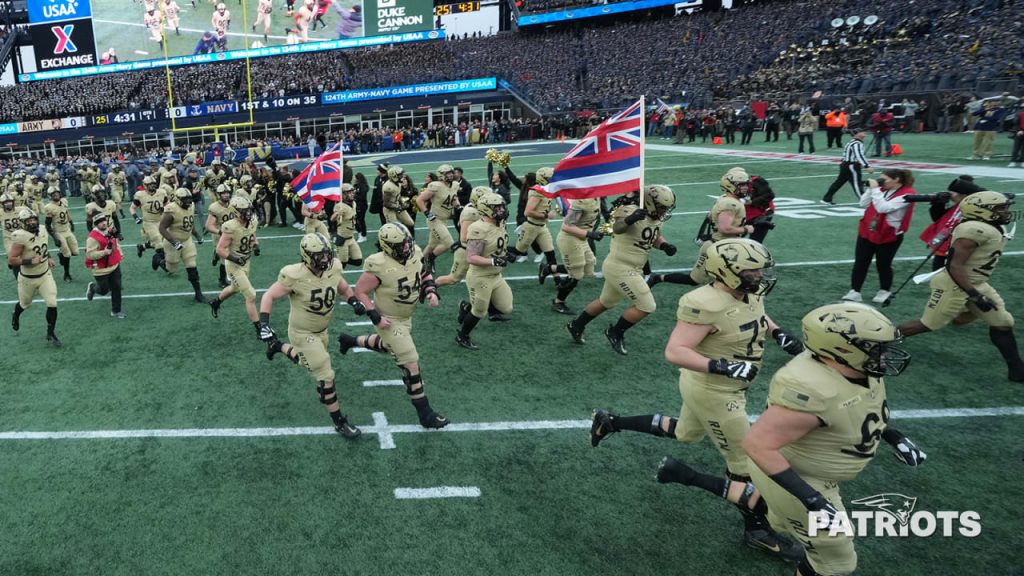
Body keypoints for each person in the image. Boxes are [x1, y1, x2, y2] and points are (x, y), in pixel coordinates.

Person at [658, 302, 923, 576]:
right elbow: (756, 444)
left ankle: (688, 476)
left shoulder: (858, 370)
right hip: (800, 477)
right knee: (835, 562)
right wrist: (812, 499)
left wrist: (895, 436)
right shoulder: (813, 389)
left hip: (805, 471)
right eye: (875, 347)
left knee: (778, 514)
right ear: (842, 349)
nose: (884, 354)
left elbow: (864, 409)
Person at [591, 239, 804, 561]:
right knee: (744, 463)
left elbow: (756, 312)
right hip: (715, 391)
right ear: (727, 271)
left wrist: (776, 331)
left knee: (686, 433)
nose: (759, 274)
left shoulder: (748, 291)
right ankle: (757, 530)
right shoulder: (704, 302)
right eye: (752, 269)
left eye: (761, 267)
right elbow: (675, 351)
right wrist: (722, 365)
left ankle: (611, 422)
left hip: (717, 387)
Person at [898, 191, 1023, 382]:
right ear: (981, 211)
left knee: (1003, 323)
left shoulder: (990, 226)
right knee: (929, 324)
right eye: (1000, 208)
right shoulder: (974, 230)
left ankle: (1017, 370)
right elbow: (954, 265)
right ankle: (878, 340)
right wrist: (974, 295)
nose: (1006, 211)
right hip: (955, 283)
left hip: (975, 282)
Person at [336, 222, 449, 428]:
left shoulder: (414, 251)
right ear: (387, 246)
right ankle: (425, 413)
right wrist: (375, 316)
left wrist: (431, 290)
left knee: (388, 346)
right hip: (389, 319)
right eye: (400, 245)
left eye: (406, 243)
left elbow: (423, 272)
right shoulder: (378, 264)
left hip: (407, 316)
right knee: (410, 361)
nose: (406, 248)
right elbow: (360, 291)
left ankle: (350, 340)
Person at [259, 233, 365, 436]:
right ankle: (339, 422)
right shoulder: (294, 275)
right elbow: (269, 295)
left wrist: (352, 300)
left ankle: (277, 346)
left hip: (322, 330)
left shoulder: (333, 266)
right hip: (302, 332)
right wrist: (264, 324)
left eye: (326, 254)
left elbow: (340, 285)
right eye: (319, 255)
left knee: (307, 361)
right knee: (326, 374)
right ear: (307, 256)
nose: (325, 259)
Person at [566, 185, 676, 355]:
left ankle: (576, 325)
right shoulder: (629, 210)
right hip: (620, 266)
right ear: (650, 202)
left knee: (606, 301)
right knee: (647, 305)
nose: (664, 211)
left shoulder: (655, 217)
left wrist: (664, 245)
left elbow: (653, 235)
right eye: (662, 207)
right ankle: (615, 332)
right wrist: (630, 219)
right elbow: (617, 228)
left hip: (632, 267)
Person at [649, 168, 749, 288]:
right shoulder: (730, 204)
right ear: (730, 185)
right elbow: (725, 229)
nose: (745, 187)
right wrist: (747, 229)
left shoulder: (725, 199)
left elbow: (711, 216)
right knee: (696, 279)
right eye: (741, 184)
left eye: (746, 184)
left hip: (725, 246)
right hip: (718, 247)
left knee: (731, 280)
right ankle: (658, 278)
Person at [843, 169, 916, 304]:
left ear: (897, 179)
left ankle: (884, 290)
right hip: (869, 230)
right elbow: (863, 203)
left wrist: (876, 190)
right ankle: (855, 291)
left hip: (889, 233)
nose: (882, 182)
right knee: (861, 261)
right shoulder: (881, 190)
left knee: (883, 264)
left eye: (885, 179)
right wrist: (871, 190)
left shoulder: (907, 194)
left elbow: (884, 208)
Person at [455, 192, 512, 350]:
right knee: (479, 311)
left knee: (507, 308)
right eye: (497, 207)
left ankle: (467, 307)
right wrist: (493, 260)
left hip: (496, 275)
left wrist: (507, 254)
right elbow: (471, 257)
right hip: (480, 276)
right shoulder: (478, 228)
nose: (501, 210)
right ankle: (462, 336)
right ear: (486, 209)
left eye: (501, 206)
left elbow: (498, 245)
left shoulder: (499, 223)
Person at [8, 208, 61, 346]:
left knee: (52, 302)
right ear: (23, 223)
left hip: (45, 274)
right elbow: (12, 260)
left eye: (34, 219)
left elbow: (42, 247)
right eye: (29, 220)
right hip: (28, 278)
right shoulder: (20, 237)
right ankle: (16, 315)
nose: (32, 222)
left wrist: (48, 257)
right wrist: (29, 261)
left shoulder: (42, 229)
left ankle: (50, 333)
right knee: (25, 304)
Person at [505, 167, 564, 284]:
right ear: (542, 178)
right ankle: (493, 252)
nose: (552, 180)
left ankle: (558, 280)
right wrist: (546, 215)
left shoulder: (546, 189)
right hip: (531, 226)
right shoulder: (537, 192)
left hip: (542, 227)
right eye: (549, 178)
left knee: (550, 254)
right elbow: (528, 212)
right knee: (517, 252)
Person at [209, 196, 261, 326]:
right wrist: (235, 259)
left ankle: (216, 302)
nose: (248, 213)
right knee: (251, 295)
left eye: (249, 210)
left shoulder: (252, 221)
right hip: (234, 265)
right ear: (236, 211)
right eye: (244, 211)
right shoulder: (230, 226)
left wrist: (255, 243)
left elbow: (252, 234)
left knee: (234, 288)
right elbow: (220, 249)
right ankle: (260, 329)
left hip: (246, 261)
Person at [917, 176, 985, 270]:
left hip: (958, 248)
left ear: (964, 195)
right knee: (937, 274)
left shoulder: (973, 208)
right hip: (944, 245)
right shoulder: (958, 205)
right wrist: (938, 204)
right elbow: (939, 219)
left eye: (953, 193)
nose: (950, 196)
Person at [551, 197, 604, 315]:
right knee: (576, 275)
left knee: (588, 267)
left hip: (581, 239)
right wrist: (590, 234)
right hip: (570, 239)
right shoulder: (581, 202)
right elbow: (566, 226)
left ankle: (550, 269)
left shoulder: (597, 198)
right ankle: (558, 302)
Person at [158, 188, 207, 303]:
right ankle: (158, 260)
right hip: (172, 242)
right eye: (185, 199)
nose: (188, 202)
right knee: (171, 268)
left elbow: (190, 223)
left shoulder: (191, 206)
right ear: (178, 199)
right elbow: (162, 228)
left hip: (187, 241)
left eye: (189, 199)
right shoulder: (172, 209)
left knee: (192, 266)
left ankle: (198, 294)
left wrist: (196, 235)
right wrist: (173, 241)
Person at [84, 214, 125, 319]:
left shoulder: (110, 230)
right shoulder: (92, 238)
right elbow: (90, 255)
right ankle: (93, 288)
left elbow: (115, 242)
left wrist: (120, 252)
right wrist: (104, 252)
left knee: (117, 287)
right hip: (101, 269)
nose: (103, 223)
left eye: (104, 221)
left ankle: (116, 311)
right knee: (103, 290)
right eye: (100, 222)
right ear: (96, 224)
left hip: (114, 265)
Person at [416, 178, 459, 272]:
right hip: (435, 219)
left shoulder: (454, 184)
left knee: (432, 245)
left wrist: (458, 206)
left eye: (451, 172)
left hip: (444, 219)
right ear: (441, 175)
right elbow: (419, 199)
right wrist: (427, 213)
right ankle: (430, 258)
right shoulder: (436, 186)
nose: (450, 175)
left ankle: (419, 264)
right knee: (449, 244)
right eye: (447, 173)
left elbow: (454, 197)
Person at [821, 128, 873, 205]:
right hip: (851, 166)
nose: (864, 132)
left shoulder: (852, 142)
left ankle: (826, 199)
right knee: (856, 184)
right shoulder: (857, 143)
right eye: (862, 131)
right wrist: (867, 166)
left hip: (846, 165)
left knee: (838, 183)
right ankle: (864, 202)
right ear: (856, 134)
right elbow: (859, 155)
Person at [131, 176, 169, 270]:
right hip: (149, 222)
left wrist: (164, 209)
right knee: (158, 241)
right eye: (150, 185)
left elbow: (168, 204)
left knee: (162, 241)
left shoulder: (161, 192)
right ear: (145, 185)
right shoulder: (140, 195)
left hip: (161, 221)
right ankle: (160, 261)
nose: (152, 186)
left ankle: (142, 247)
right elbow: (132, 208)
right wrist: (136, 217)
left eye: (153, 184)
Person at [42, 188, 78, 283]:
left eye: (57, 193)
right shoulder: (49, 207)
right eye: (53, 194)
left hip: (67, 230)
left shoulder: (64, 201)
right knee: (67, 254)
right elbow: (47, 225)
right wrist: (54, 237)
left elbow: (66, 212)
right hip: (58, 232)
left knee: (76, 252)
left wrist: (71, 222)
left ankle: (61, 254)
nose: (56, 195)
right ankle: (66, 273)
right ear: (50, 196)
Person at [205, 184, 236, 288]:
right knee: (225, 258)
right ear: (218, 195)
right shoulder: (215, 207)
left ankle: (216, 253)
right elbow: (209, 225)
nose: (226, 195)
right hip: (220, 235)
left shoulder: (233, 204)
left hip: (232, 234)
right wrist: (220, 232)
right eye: (223, 193)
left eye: (227, 193)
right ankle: (222, 280)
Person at [331, 184, 363, 268]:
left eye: (352, 192)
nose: (352, 194)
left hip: (351, 237)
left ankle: (335, 261)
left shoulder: (353, 203)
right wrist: (337, 213)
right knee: (342, 265)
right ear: (343, 195)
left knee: (358, 261)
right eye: (349, 193)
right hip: (342, 239)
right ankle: (334, 263)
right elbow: (332, 219)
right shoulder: (340, 206)